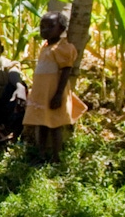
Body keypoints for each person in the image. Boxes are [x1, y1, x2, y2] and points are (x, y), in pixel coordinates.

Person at [22, 11, 87, 164]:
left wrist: (58, 94)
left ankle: (56, 157)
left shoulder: (63, 48)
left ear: (61, 28)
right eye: (42, 26)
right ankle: (41, 154)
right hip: (41, 93)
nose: (44, 30)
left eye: (50, 26)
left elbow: (66, 71)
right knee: (42, 123)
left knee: (55, 125)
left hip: (53, 93)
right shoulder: (46, 46)